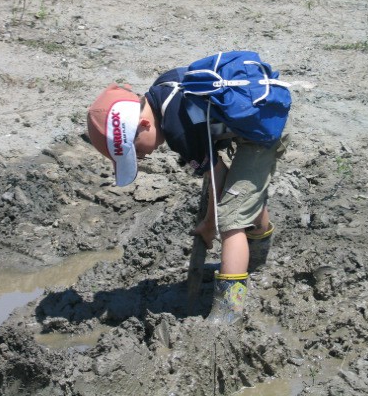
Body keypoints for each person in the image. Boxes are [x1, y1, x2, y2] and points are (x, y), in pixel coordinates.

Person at [86, 60, 288, 325]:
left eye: (136, 153)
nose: (142, 158)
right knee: (241, 195)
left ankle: (229, 310)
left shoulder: (177, 129)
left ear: (145, 124)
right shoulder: (160, 91)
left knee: (230, 220)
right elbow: (216, 170)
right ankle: (256, 260)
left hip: (260, 131)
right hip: (253, 112)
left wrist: (209, 224)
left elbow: (216, 177)